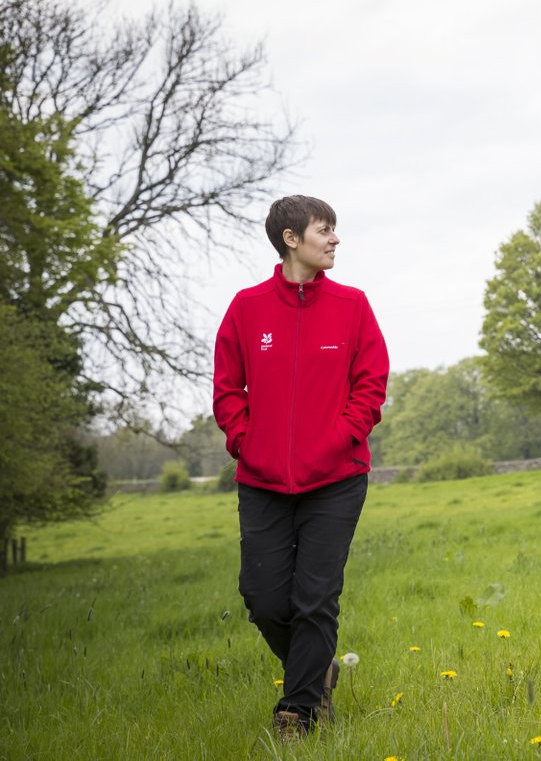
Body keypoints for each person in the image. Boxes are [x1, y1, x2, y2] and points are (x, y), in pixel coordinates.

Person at [213, 195, 389, 739]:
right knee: (261, 598)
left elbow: (371, 383)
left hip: (336, 479)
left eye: (334, 230)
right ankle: (316, 671)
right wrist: (247, 442)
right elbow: (226, 389)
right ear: (292, 239)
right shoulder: (246, 307)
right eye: (324, 230)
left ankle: (299, 709)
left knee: (316, 597)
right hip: (263, 481)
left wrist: (340, 439)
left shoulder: (353, 305)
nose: (335, 239)